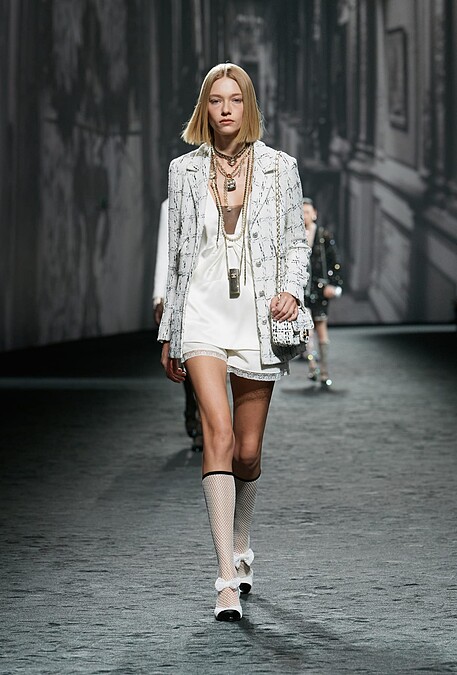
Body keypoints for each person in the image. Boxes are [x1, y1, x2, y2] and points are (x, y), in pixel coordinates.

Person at [158, 63, 310, 622]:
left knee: (247, 450)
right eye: (216, 100)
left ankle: (242, 544)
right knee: (217, 434)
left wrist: (292, 290)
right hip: (201, 314)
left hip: (255, 317)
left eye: (235, 99)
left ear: (248, 107)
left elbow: (295, 241)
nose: (226, 109)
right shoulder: (182, 171)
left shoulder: (279, 167)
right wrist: (170, 331)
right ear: (205, 107)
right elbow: (177, 256)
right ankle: (225, 577)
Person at [153, 198, 203, 451]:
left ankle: (206, 421)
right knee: (191, 362)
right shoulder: (173, 201)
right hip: (188, 297)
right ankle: (197, 417)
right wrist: (159, 297)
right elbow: (167, 252)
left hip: (225, 296)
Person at [303, 197, 343, 388]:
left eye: (307, 212)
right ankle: (313, 367)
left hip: (319, 288)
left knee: (321, 327)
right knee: (306, 331)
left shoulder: (323, 235)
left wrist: (333, 284)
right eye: (301, 212)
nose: (304, 215)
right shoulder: (295, 235)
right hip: (303, 289)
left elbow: (334, 261)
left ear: (314, 213)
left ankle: (324, 369)